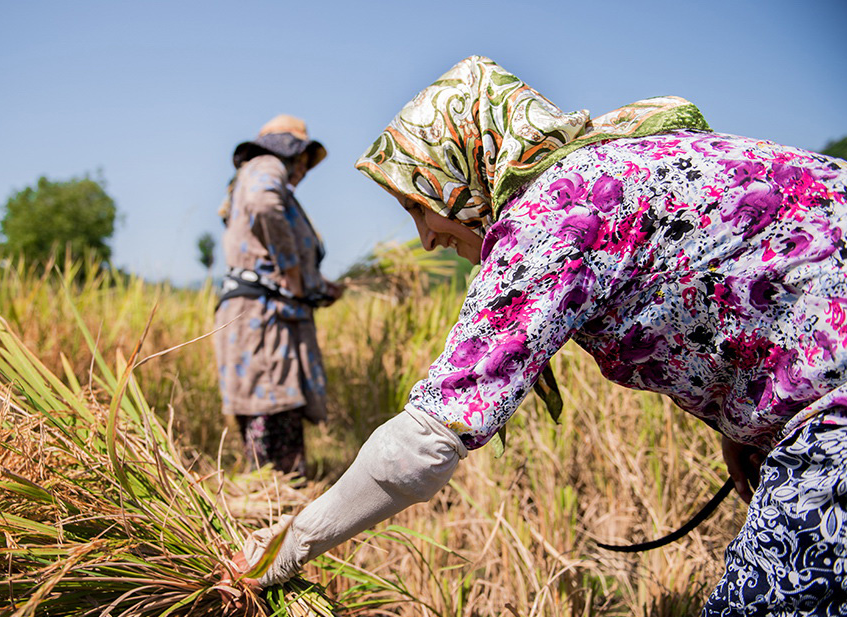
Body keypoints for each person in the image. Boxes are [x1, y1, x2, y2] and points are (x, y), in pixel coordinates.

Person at [241, 57, 847, 615]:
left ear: (461, 169)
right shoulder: (619, 165)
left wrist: (290, 546)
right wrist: (755, 422)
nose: (426, 237)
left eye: (417, 205)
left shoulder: (560, 208)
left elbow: (426, 440)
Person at [214, 114, 343, 478]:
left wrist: (319, 287)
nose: (304, 169)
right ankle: (277, 511)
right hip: (263, 320)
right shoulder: (265, 167)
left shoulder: (258, 178)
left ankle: (275, 506)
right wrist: (289, 267)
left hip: (267, 316)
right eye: (302, 159)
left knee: (275, 416)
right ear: (289, 153)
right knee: (271, 413)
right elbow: (262, 204)